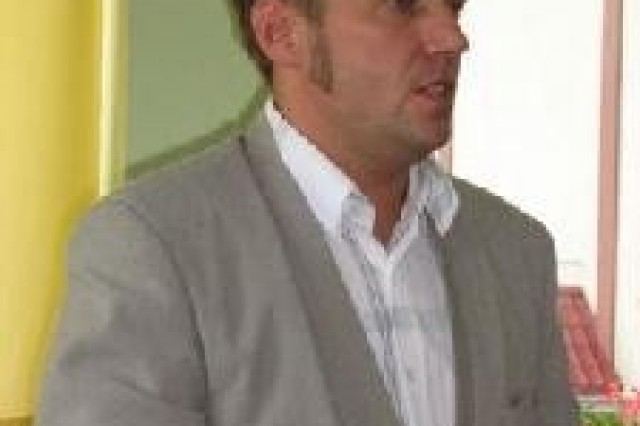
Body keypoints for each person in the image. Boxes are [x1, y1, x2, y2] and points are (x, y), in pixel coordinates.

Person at [36, 0, 579, 425]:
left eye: (453, 6)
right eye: (403, 6)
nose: (452, 37)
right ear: (281, 33)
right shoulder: (155, 248)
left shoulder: (516, 251)